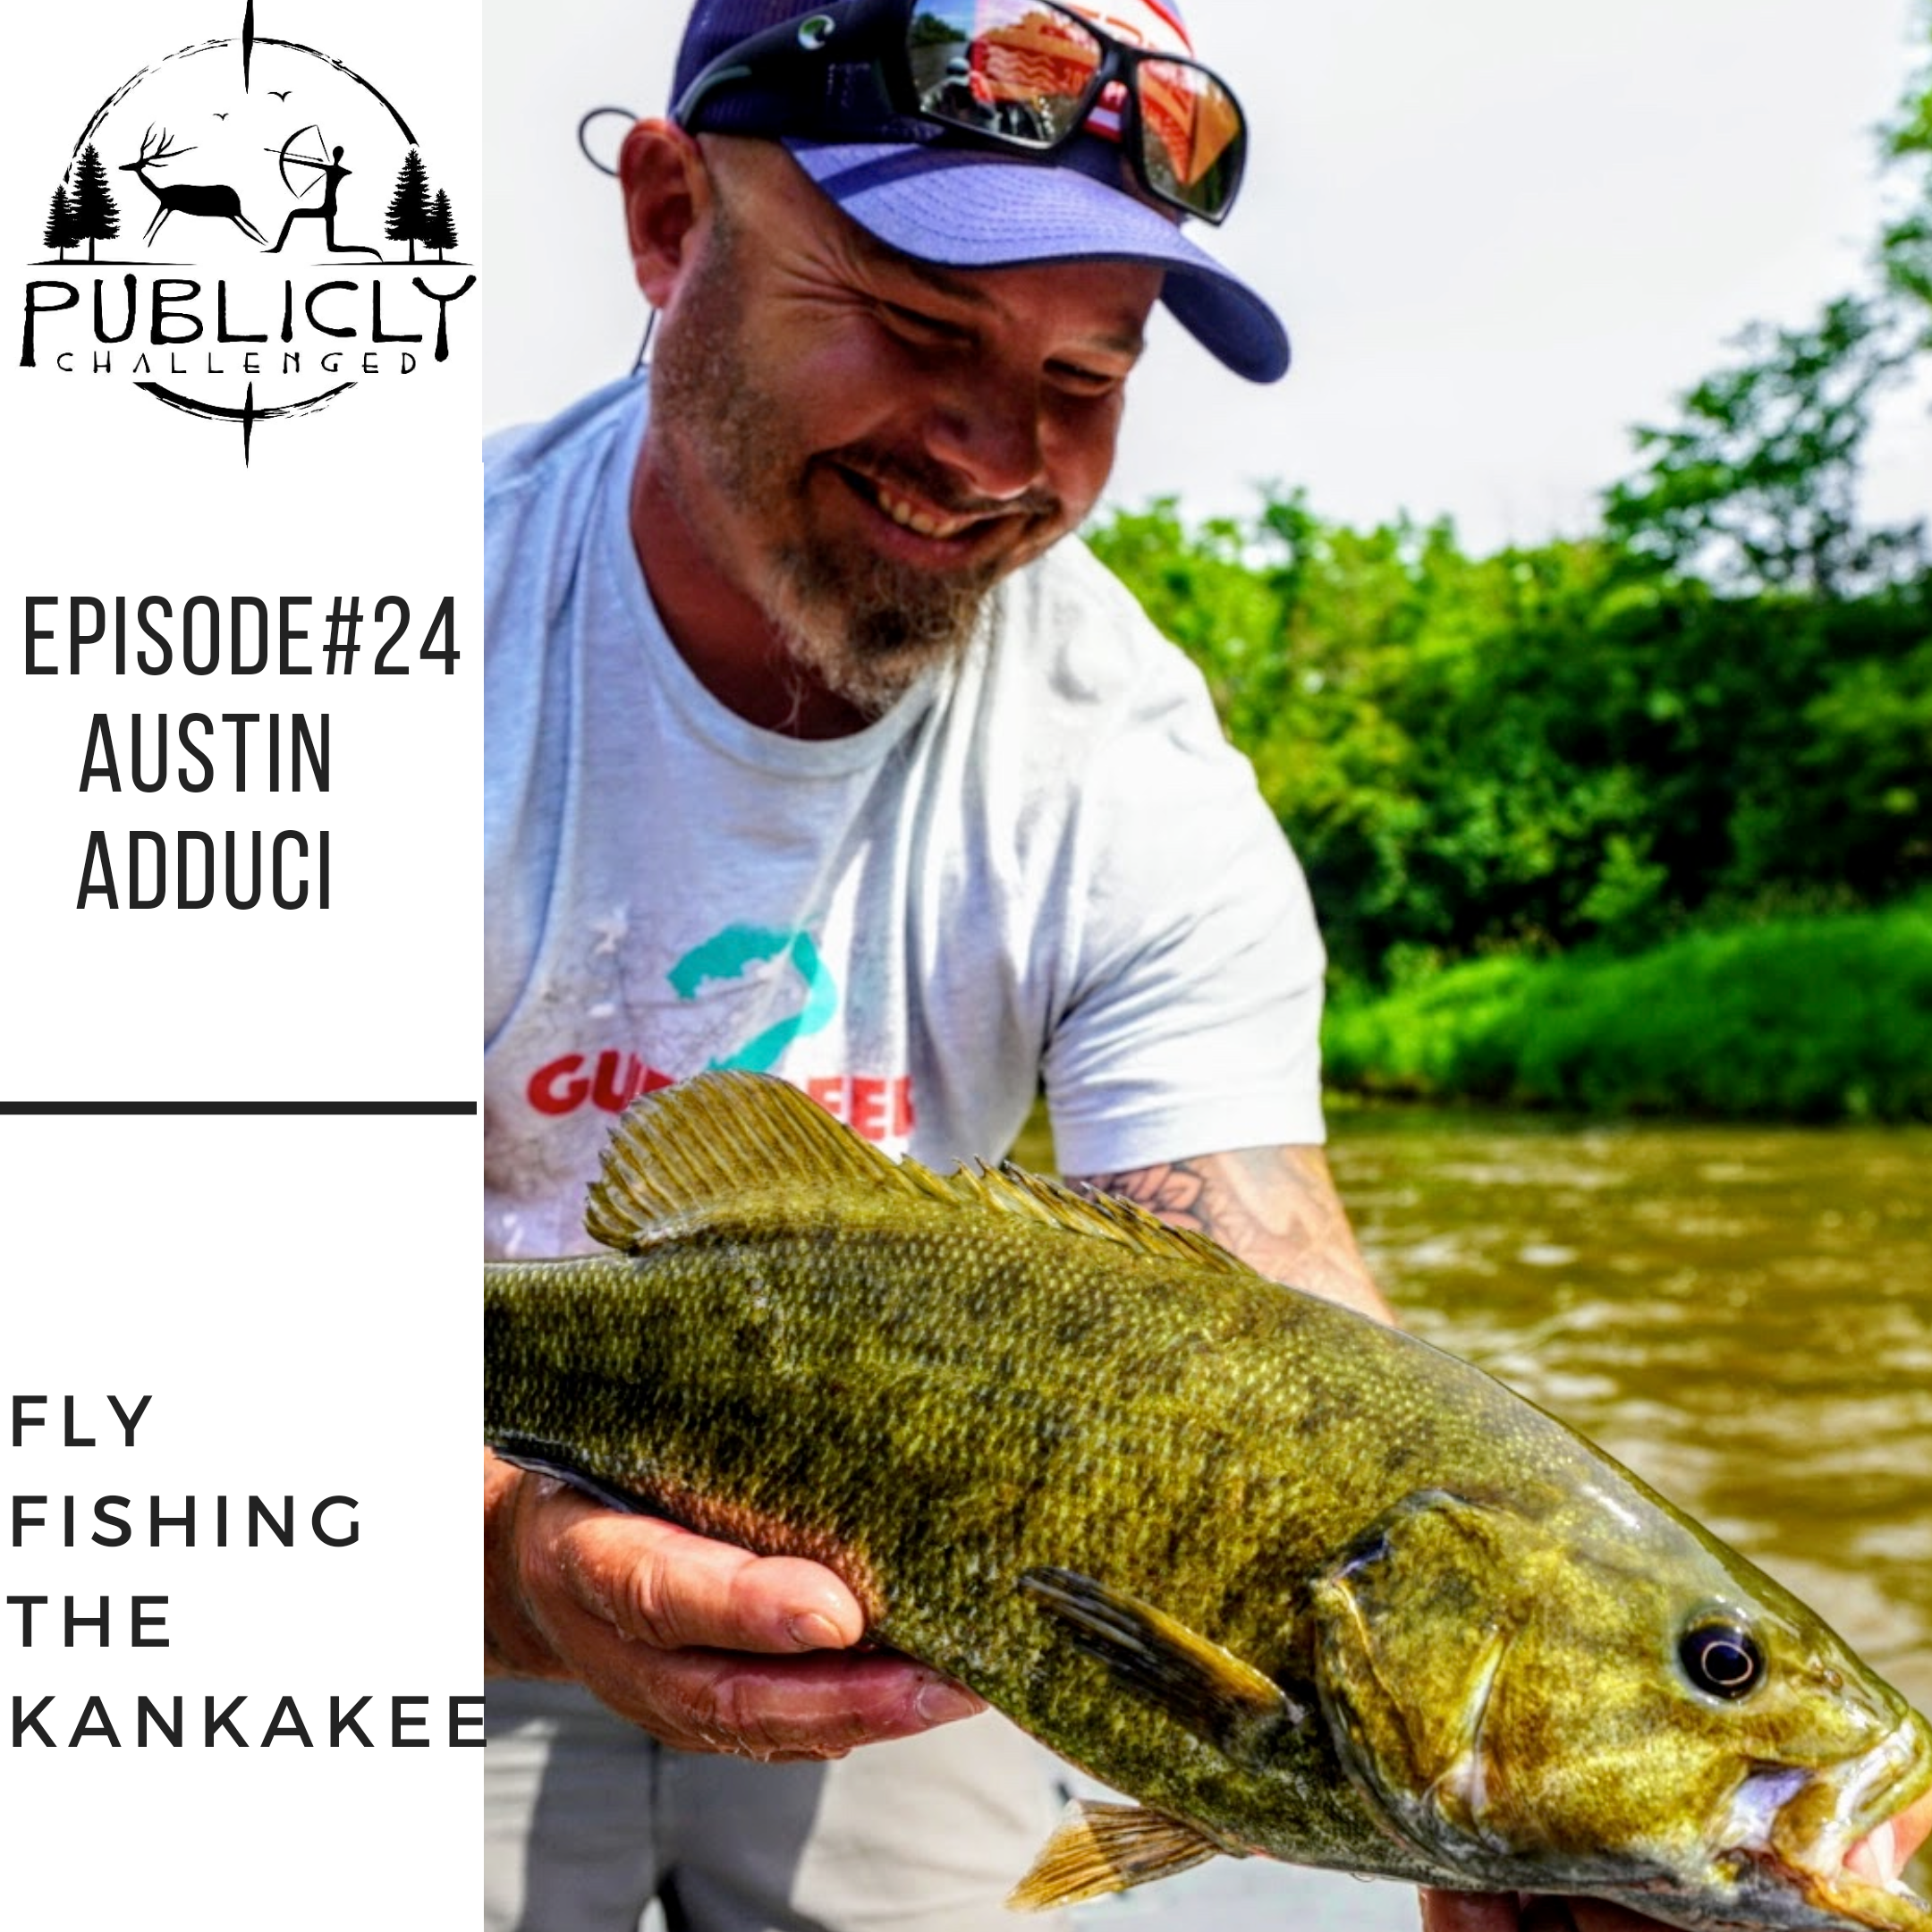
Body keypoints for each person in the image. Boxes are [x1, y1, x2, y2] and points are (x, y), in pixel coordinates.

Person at [480, 4, 1932, 1928]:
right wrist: (511, 1562)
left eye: (1088, 373)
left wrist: (1510, 1826)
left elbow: (1276, 1333)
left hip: (928, 1598)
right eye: (917, 324)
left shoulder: (1132, 765)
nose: (994, 455)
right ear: (670, 221)